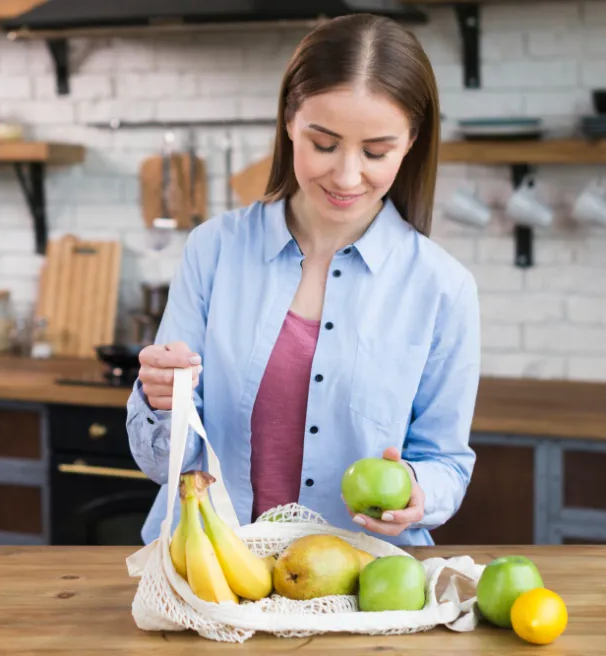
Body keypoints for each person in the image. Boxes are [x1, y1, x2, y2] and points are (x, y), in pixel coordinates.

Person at [126, 13, 480, 548]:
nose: (346, 175)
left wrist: (414, 488)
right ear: (290, 120)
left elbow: (447, 464)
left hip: (361, 584)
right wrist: (161, 402)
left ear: (411, 143)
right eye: (324, 143)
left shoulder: (442, 288)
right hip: (207, 569)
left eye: (376, 152)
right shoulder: (214, 250)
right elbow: (168, 463)